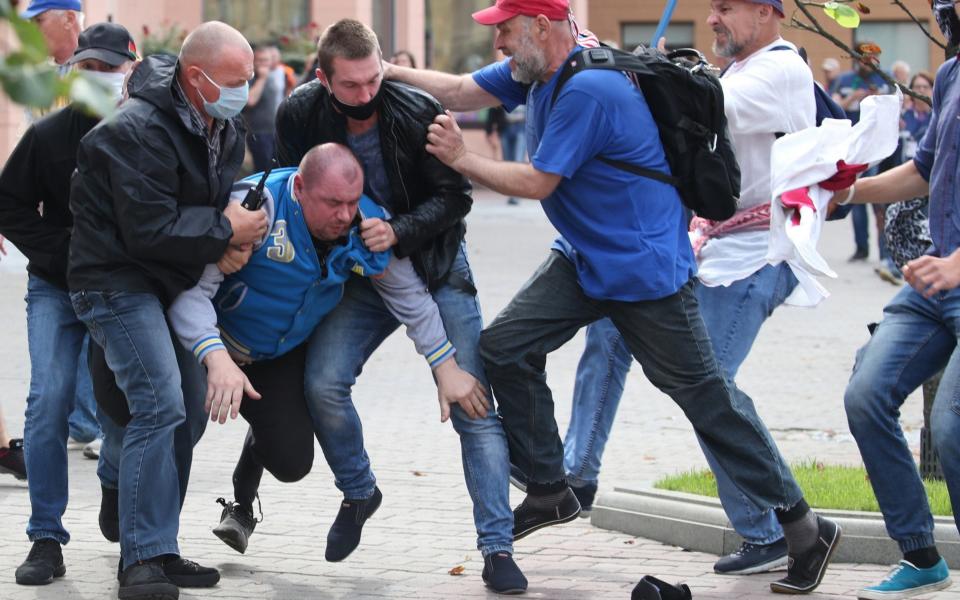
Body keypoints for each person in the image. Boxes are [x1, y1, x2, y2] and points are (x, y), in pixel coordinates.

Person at [387, 0, 841, 594]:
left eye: (504, 29)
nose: (497, 43)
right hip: (586, 257)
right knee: (505, 348)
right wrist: (388, 73)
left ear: (540, 27)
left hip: (643, 269)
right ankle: (551, 488)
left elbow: (537, 182)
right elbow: (461, 90)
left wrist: (460, 157)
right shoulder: (535, 69)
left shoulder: (589, 89)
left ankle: (804, 527)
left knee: (708, 400)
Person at [273, 18, 525, 594]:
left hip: (434, 265)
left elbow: (456, 196)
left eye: (374, 78)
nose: (367, 94)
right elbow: (292, 187)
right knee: (322, 385)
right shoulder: (298, 113)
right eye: (352, 86)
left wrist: (399, 230)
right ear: (324, 79)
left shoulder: (416, 110)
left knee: (471, 400)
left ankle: (497, 547)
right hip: (360, 277)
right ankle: (359, 491)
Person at [165, 144, 485, 558]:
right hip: (204, 344)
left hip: (272, 357)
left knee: (292, 463)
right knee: (177, 430)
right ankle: (149, 537)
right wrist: (215, 357)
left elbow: (409, 296)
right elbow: (188, 296)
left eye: (351, 202)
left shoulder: (365, 225)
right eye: (333, 203)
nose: (344, 214)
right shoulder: (255, 209)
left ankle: (241, 507)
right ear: (299, 187)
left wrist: (445, 366)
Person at [68, 21, 268, 600]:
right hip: (113, 279)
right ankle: (141, 560)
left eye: (250, 79)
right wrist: (224, 229)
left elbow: (201, 212)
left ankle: (158, 543)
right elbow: (148, 228)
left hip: (163, 283)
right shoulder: (136, 129)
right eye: (235, 80)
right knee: (159, 402)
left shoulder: (221, 125)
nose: (245, 91)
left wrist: (228, 246)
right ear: (196, 76)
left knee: (189, 412)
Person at [0, 21, 138, 587]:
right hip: (56, 287)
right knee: (48, 400)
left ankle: (115, 486)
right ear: (74, 70)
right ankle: (45, 537)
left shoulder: (148, 134)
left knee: (128, 407)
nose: (100, 77)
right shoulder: (48, 134)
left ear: (132, 68)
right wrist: (63, 253)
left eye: (111, 67)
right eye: (91, 67)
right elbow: (9, 206)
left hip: (124, 289)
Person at [830, 15, 960, 596]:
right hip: (934, 283)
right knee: (866, 395)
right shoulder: (953, 74)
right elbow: (926, 171)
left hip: (952, 269)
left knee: (951, 425)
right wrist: (848, 189)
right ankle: (921, 554)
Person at [833, 47, 892, 263]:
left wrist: (878, 99)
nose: (867, 63)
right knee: (855, 197)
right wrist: (854, 98)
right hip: (852, 147)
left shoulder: (885, 79)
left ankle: (885, 251)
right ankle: (861, 248)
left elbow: (896, 108)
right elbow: (835, 105)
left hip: (877, 148)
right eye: (863, 59)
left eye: (871, 59)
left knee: (879, 197)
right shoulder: (846, 80)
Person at [243, 44, 285, 171]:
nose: (262, 63)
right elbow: (250, 100)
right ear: (253, 61)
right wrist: (261, 79)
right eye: (259, 60)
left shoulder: (276, 75)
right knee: (263, 170)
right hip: (258, 132)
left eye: (265, 60)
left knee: (276, 167)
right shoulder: (250, 78)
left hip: (275, 131)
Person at [20, 0, 83, 68]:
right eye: (31, 23)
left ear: (69, 19)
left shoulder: (93, 67)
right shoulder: (39, 71)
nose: (32, 31)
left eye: (38, 20)